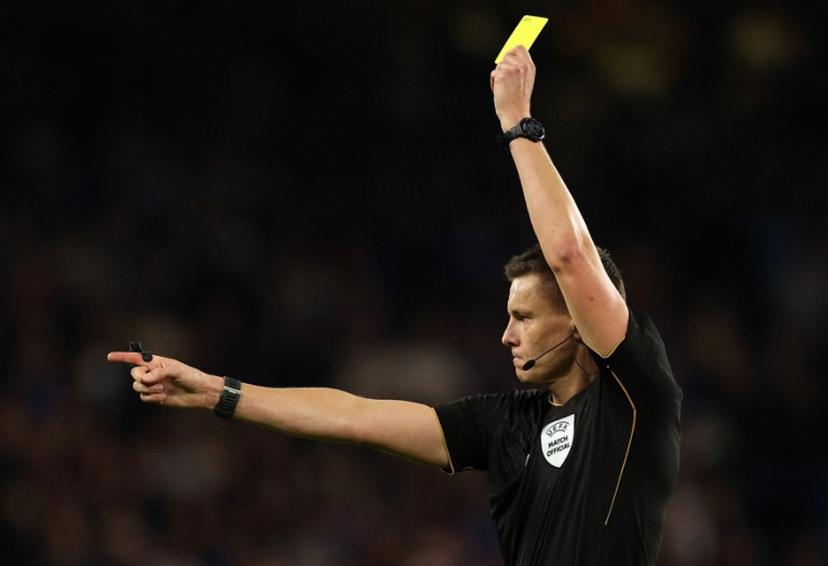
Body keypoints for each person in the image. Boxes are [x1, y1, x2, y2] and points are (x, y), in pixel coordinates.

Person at [108, 46, 681, 565]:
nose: (506, 336)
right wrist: (216, 391)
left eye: (525, 318)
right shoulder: (506, 424)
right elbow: (353, 416)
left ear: (579, 322)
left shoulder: (634, 392)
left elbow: (570, 257)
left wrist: (518, 124)